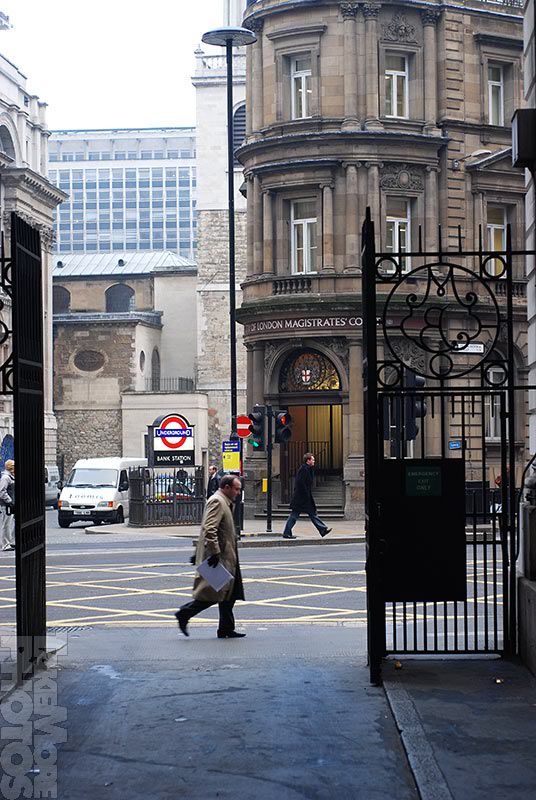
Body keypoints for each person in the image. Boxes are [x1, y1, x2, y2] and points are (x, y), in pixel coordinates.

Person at [175, 474, 245, 638]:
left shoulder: (225, 501)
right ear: (226, 487)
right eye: (236, 489)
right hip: (220, 557)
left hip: (227, 556)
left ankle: (226, 628)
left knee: (229, 595)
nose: (238, 493)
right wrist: (214, 553)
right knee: (214, 594)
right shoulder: (217, 501)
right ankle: (184, 613)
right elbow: (209, 529)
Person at [282, 453, 332, 540]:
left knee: (311, 514)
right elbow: (300, 483)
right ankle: (286, 533)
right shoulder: (303, 469)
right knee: (295, 515)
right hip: (301, 497)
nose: (314, 461)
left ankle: (322, 529)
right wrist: (305, 494)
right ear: (308, 460)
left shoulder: (308, 469)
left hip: (304, 497)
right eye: (312, 459)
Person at [0, 460, 15, 551]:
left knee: (10, 524)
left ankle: (10, 541)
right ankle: (5, 544)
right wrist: (9, 501)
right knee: (6, 524)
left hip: (11, 504)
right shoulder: (6, 478)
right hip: (6, 505)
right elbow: (2, 491)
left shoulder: (11, 477)